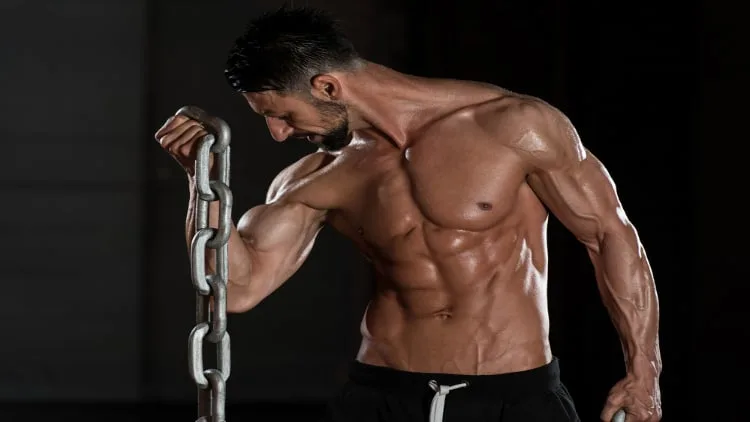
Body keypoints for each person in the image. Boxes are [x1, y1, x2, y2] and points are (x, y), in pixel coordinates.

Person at [154, 6, 661, 422]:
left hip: (513, 397)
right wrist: (202, 182)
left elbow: (610, 237)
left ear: (328, 87)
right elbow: (238, 290)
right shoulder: (316, 175)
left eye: (282, 115)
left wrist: (645, 371)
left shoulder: (515, 126)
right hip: (380, 395)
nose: (279, 135)